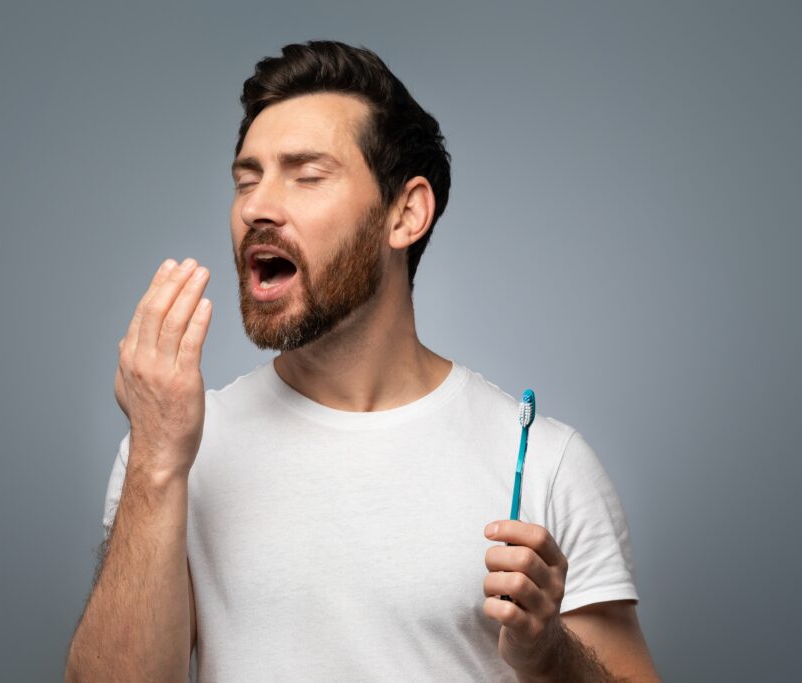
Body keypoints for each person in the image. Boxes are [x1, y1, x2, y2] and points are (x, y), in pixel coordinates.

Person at [65, 40, 661, 682]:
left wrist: (549, 655)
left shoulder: (545, 462)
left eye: (306, 174)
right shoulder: (175, 449)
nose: (256, 207)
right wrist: (156, 458)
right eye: (247, 179)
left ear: (405, 213)